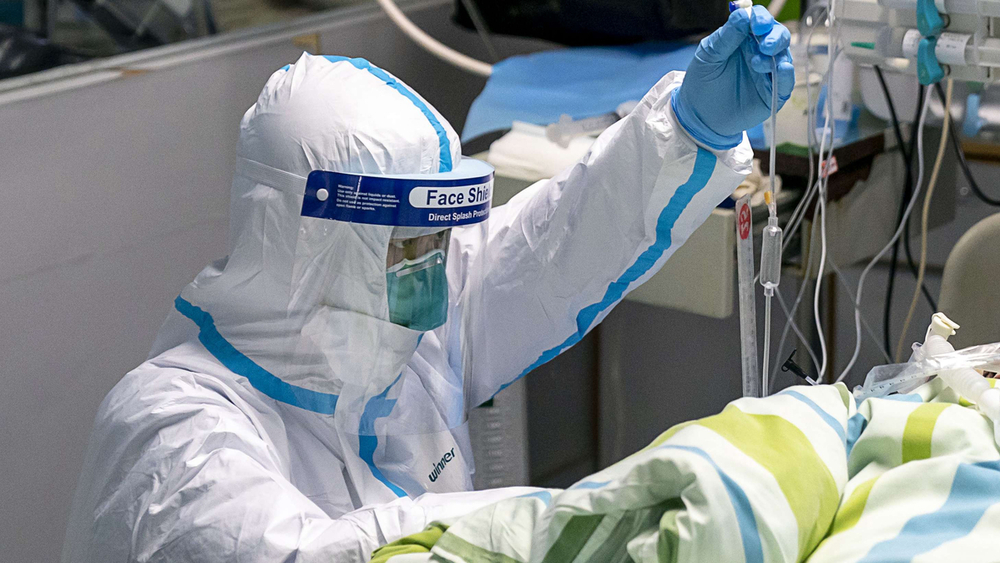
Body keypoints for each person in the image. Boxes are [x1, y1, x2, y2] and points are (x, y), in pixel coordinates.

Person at [62, 6, 793, 562]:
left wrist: (686, 129)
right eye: (410, 245)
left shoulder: (394, 341)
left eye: (437, 244)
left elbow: (552, 244)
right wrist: (575, 516)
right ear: (314, 242)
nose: (434, 277)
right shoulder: (167, 431)